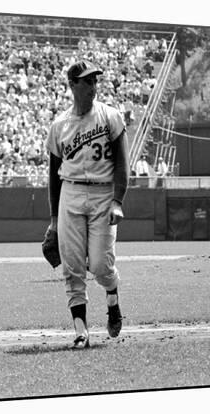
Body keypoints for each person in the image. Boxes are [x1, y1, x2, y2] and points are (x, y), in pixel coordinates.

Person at [46, 60, 129, 349]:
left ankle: (113, 298)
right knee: (72, 267)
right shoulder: (59, 126)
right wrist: (54, 219)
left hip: (103, 194)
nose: (93, 86)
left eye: (95, 80)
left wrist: (118, 200)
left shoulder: (110, 116)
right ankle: (81, 331)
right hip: (70, 193)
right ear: (72, 85)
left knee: (100, 266)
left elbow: (122, 162)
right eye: (86, 81)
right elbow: (53, 175)